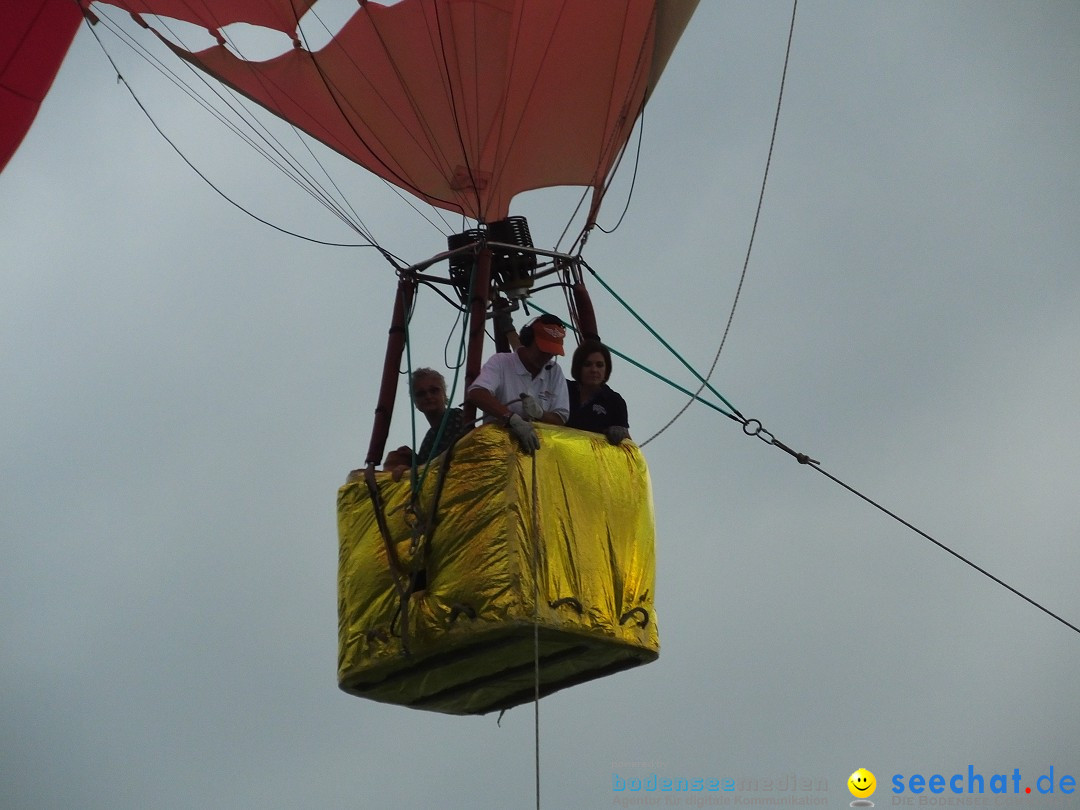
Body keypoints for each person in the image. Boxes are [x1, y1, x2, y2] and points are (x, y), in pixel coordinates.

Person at [466, 313, 570, 453]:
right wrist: (511, 418)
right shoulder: (501, 362)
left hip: (540, 456)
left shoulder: (554, 371)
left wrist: (540, 414)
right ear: (527, 340)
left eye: (551, 352)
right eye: (542, 349)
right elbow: (477, 393)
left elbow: (560, 418)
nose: (546, 356)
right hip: (498, 453)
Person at [566, 340, 631, 445]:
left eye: (599, 365)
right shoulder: (563, 389)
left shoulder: (615, 402)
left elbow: (627, 445)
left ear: (606, 369)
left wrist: (621, 433)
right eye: (587, 364)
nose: (594, 370)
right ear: (578, 367)